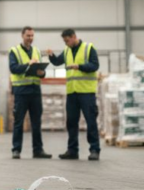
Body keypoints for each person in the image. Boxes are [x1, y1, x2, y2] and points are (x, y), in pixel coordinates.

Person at [47, 28, 101, 161]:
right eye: (64, 41)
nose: (66, 44)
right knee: (71, 122)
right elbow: (57, 62)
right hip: (72, 92)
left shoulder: (88, 48)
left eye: (67, 40)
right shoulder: (67, 51)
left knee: (90, 121)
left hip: (87, 92)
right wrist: (51, 56)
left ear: (73, 37)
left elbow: (95, 65)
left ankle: (94, 150)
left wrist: (80, 66)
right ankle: (72, 150)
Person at [9, 26, 51, 159]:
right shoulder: (14, 51)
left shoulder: (37, 51)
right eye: (28, 36)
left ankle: (38, 150)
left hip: (35, 91)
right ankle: (16, 150)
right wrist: (28, 64)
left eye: (32, 36)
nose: (30, 38)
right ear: (22, 35)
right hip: (21, 92)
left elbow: (41, 71)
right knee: (19, 122)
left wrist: (42, 72)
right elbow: (13, 68)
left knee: (36, 122)